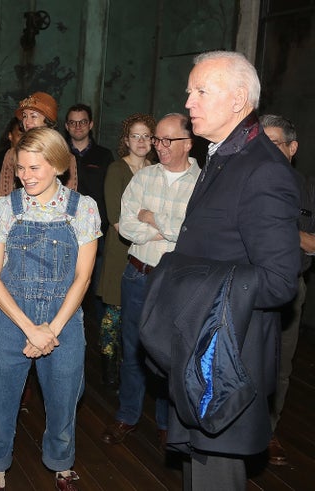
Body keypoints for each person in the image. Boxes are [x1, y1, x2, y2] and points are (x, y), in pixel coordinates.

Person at [144, 51, 300, 490]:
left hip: (226, 356)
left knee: (216, 476)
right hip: (203, 345)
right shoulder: (226, 155)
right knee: (199, 470)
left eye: (200, 91)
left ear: (237, 100)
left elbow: (279, 281)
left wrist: (185, 281)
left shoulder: (263, 169)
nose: (188, 101)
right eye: (189, 91)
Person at [0, 127, 100, 491]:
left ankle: (61, 463)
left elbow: (82, 279)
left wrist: (53, 329)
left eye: (35, 168)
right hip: (10, 314)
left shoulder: (83, 209)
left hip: (64, 316)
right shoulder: (3, 209)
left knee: (65, 397)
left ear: (59, 166)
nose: (25, 176)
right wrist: (30, 328)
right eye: (21, 168)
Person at [100, 113, 199, 449]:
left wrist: (153, 218)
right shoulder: (143, 178)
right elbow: (127, 225)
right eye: (157, 139)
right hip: (138, 274)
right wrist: (168, 227)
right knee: (133, 349)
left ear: (188, 143)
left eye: (168, 140)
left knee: (170, 353)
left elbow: (192, 232)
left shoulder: (203, 182)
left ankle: (165, 422)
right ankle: (127, 414)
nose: (160, 146)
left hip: (177, 280)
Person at [260, 114, 313, 466]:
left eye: (274, 143)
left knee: (280, 365)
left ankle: (269, 432)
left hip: (291, 288)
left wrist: (279, 229)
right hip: (247, 283)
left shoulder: (307, 188)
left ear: (292, 148)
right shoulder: (243, 181)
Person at [96, 113, 155, 389]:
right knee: (115, 312)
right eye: (136, 136)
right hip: (122, 250)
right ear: (126, 141)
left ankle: (133, 365)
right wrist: (153, 227)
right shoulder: (116, 170)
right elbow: (116, 219)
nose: (141, 141)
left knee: (141, 313)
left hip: (151, 254)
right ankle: (108, 364)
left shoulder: (157, 169)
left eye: (146, 136)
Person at [64, 103, 114, 324]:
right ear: (66, 126)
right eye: (73, 122)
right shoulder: (59, 153)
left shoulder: (104, 156)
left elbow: (109, 195)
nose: (78, 126)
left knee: (94, 287)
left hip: (95, 233)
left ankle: (94, 338)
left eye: (82, 121)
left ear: (90, 124)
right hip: (64, 230)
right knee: (65, 284)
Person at [0, 91, 77, 198]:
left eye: (33, 116)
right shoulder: (12, 154)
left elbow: (70, 200)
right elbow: (3, 196)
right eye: (24, 116)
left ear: (47, 121)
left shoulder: (65, 157)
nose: (27, 122)